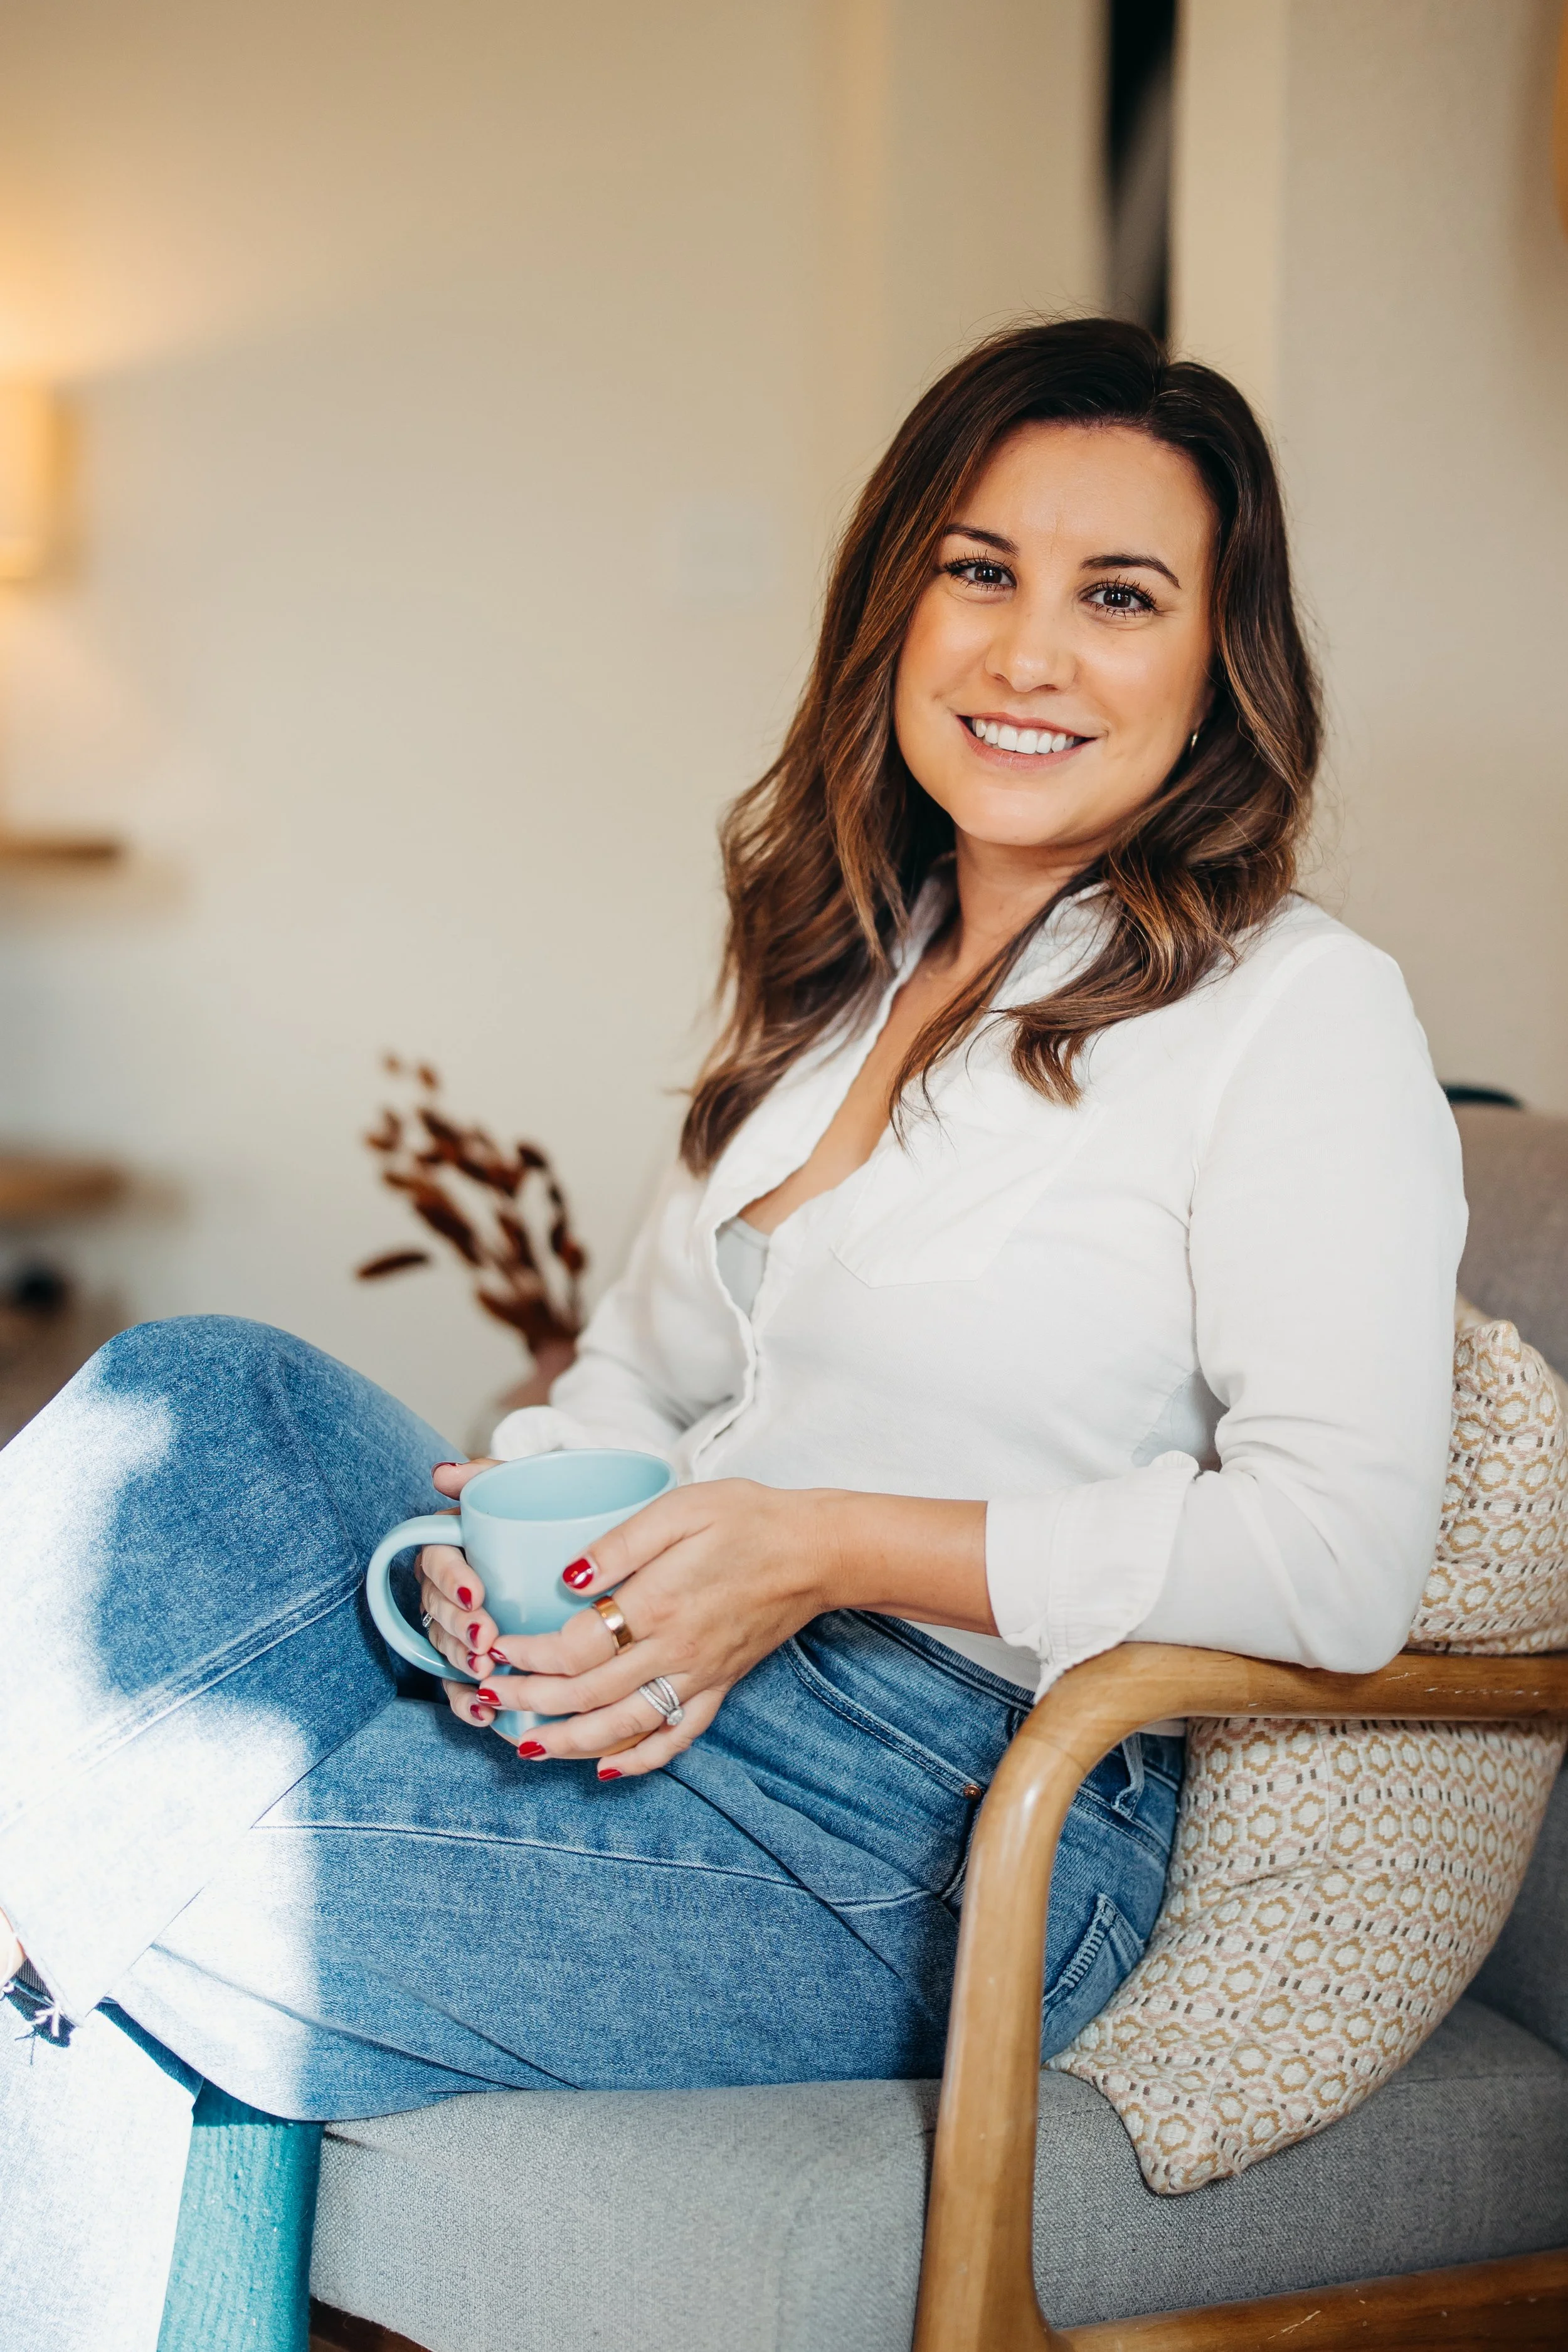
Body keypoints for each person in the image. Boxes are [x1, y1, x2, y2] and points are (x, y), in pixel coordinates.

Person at [0, 318, 1465, 2351]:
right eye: (979, 570)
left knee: (125, 1875)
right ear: (895, 604)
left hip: (964, 1818)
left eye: (1115, 596)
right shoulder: (838, 990)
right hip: (664, 1684)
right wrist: (493, 1570)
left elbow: (1336, 1551)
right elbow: (622, 1389)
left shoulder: (1293, 1014)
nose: (1030, 652)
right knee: (201, 1391)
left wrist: (822, 1545)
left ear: (1218, 664)